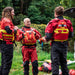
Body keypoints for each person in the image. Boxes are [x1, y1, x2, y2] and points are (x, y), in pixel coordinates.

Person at [39, 6, 73, 75]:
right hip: (64, 44)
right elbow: (71, 35)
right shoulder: (68, 22)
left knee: (55, 63)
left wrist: (45, 39)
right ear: (62, 13)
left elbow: (48, 36)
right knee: (64, 62)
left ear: (55, 13)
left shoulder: (53, 22)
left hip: (56, 45)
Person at [0, 7, 18, 75]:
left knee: (4, 62)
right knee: (7, 64)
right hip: (7, 44)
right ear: (8, 13)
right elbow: (8, 30)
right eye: (12, 12)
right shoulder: (6, 21)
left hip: (4, 44)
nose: (14, 14)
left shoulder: (3, 20)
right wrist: (15, 29)